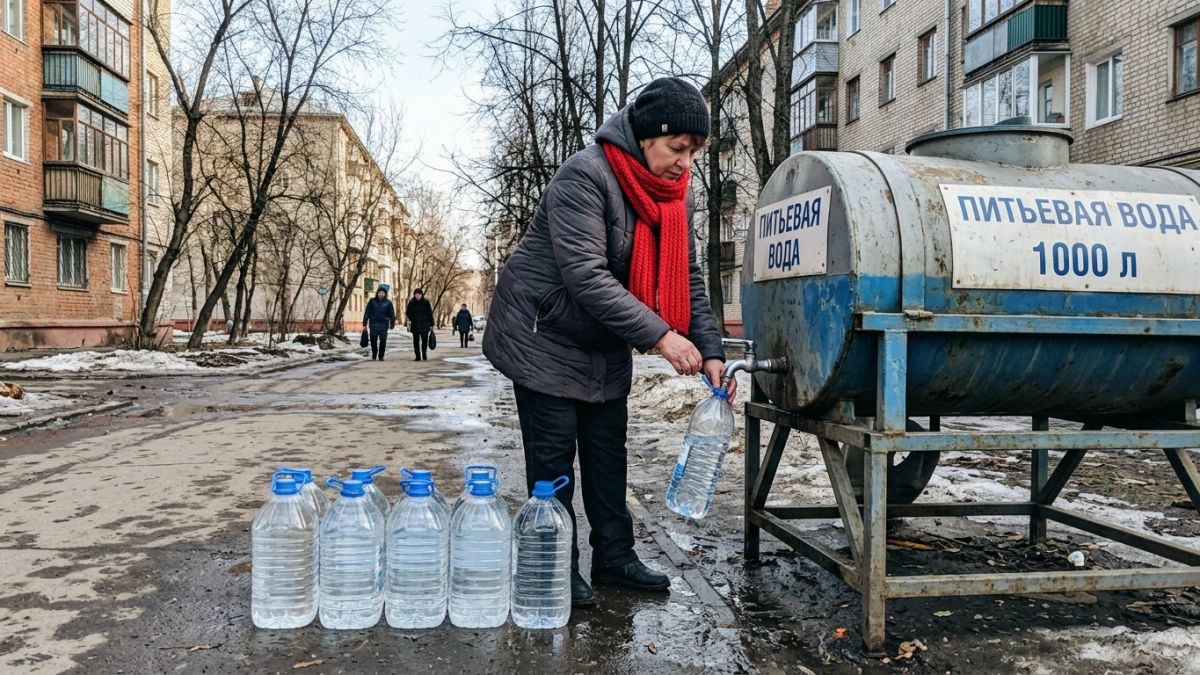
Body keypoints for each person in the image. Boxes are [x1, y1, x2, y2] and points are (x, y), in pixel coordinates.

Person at [483, 77, 731, 610]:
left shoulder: (673, 198)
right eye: (677, 148)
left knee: (606, 456)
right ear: (645, 137)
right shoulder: (585, 175)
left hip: (603, 339)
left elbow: (687, 279)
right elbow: (586, 277)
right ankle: (554, 567)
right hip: (543, 333)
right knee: (554, 465)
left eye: (695, 152)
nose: (686, 163)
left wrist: (710, 348)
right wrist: (661, 335)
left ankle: (614, 559)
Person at [362, 287, 395, 361]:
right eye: (380, 293)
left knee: (383, 342)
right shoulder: (372, 301)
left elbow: (391, 314)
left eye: (382, 293)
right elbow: (367, 312)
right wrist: (364, 323)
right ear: (377, 293)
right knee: (373, 341)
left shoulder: (388, 303)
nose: (381, 294)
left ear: (385, 294)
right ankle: (374, 353)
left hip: (384, 325)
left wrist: (392, 323)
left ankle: (381, 356)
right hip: (373, 325)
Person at [405, 288, 435, 361]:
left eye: (419, 294)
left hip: (424, 324)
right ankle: (417, 355)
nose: (417, 296)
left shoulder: (426, 302)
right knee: (416, 341)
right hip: (415, 324)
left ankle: (424, 354)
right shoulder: (412, 302)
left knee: (424, 340)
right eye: (416, 294)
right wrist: (412, 318)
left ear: (422, 295)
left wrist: (431, 323)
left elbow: (429, 313)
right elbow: (408, 312)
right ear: (414, 295)